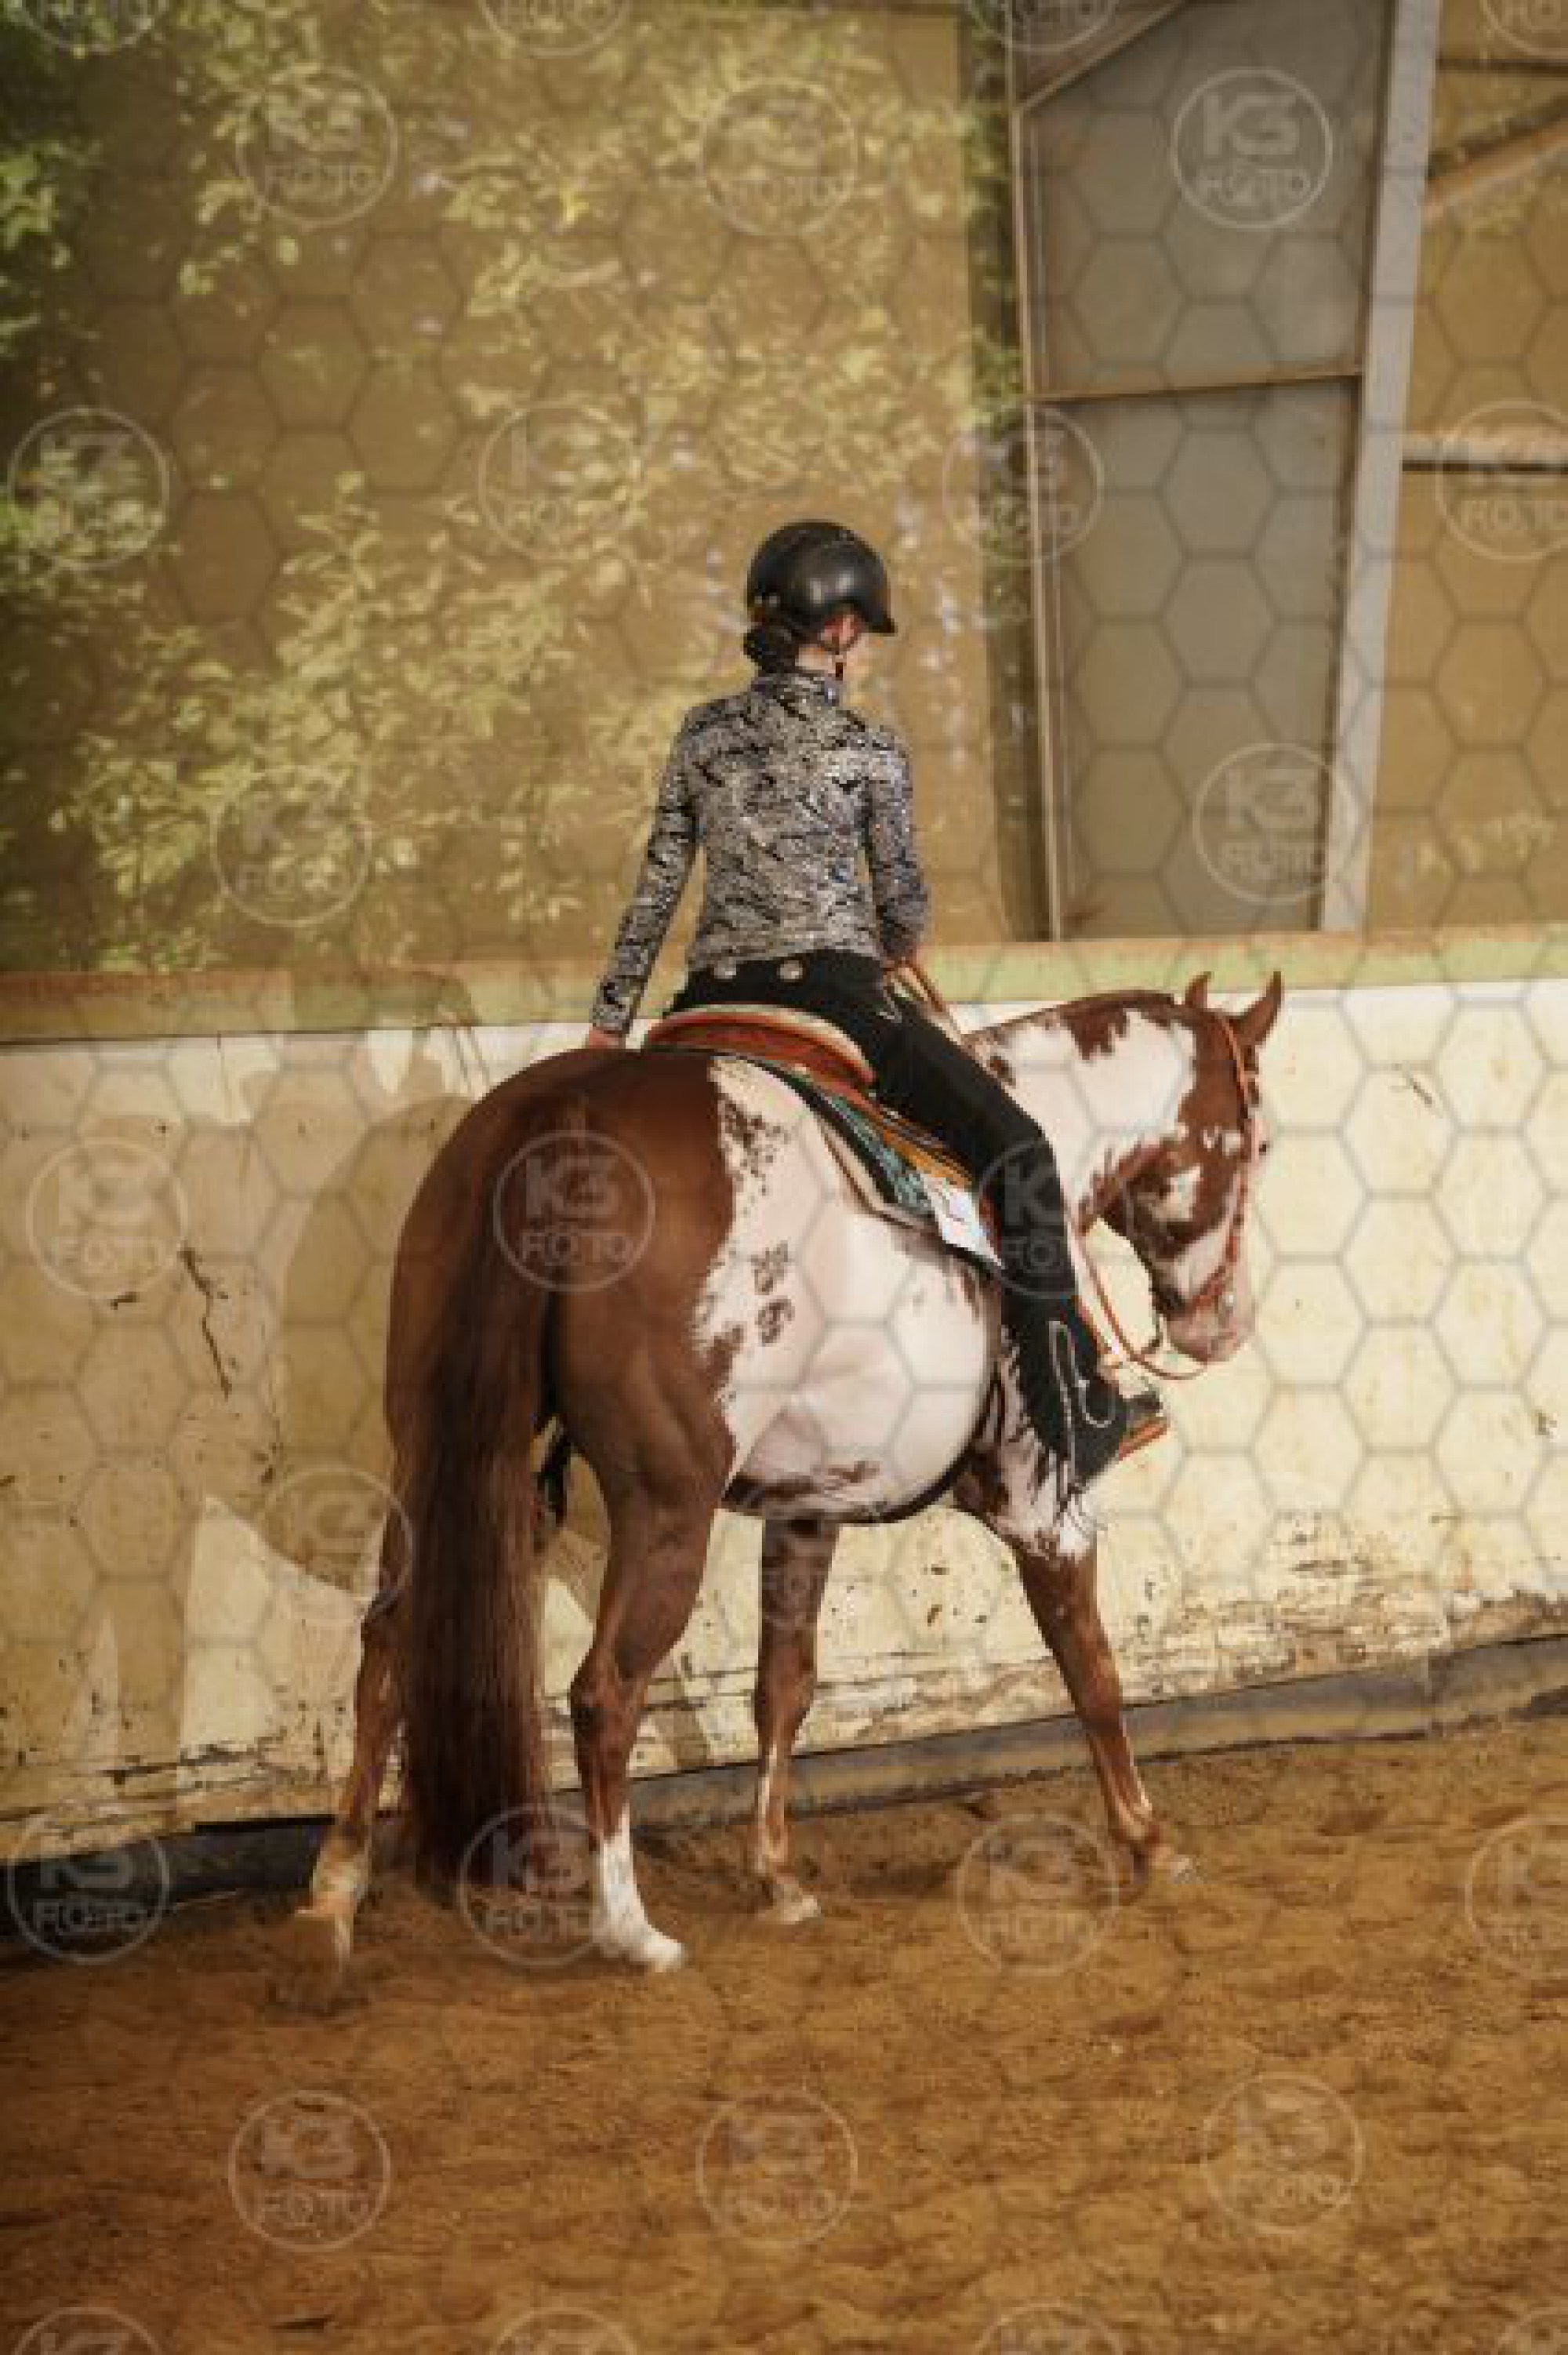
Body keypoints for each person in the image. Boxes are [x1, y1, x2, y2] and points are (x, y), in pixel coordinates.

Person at [585, 517, 1163, 1500]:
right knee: (1020, 1153)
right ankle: (1070, 1416)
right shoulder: (868, 747)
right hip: (835, 1001)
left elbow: (655, 891)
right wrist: (897, 939)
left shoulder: (701, 734)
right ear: (845, 628)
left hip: (706, 1005)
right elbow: (900, 905)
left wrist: (608, 1024)